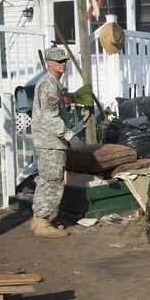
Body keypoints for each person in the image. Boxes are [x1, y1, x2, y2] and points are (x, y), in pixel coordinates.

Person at [30, 47, 84, 238]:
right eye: (58, 61)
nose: (63, 64)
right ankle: (43, 222)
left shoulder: (52, 84)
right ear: (48, 63)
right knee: (52, 182)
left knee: (46, 180)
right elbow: (50, 117)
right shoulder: (49, 85)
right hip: (51, 142)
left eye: (64, 61)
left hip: (49, 141)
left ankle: (38, 220)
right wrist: (69, 135)